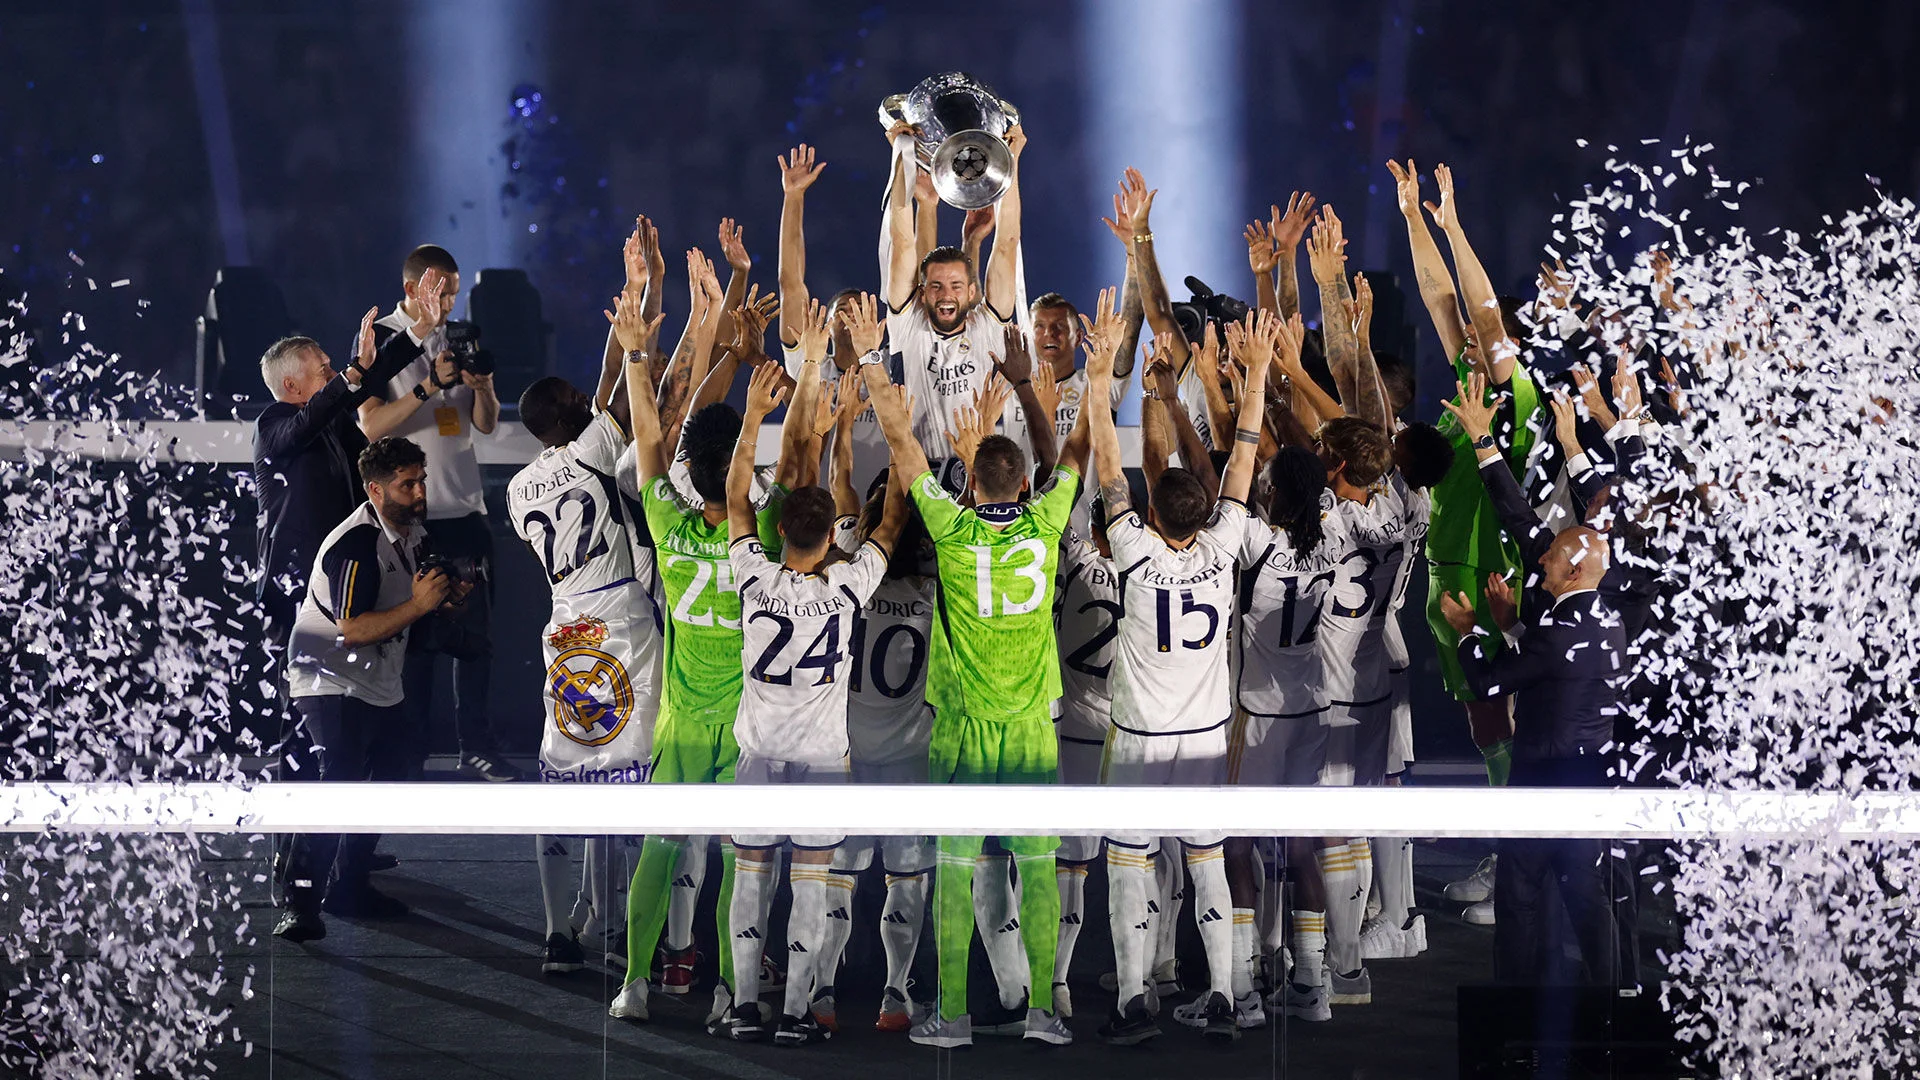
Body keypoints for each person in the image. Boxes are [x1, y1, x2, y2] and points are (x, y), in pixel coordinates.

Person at [854, 289, 1091, 1050]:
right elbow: (1077, 460)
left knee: (955, 872)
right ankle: (1045, 1013)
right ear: (1022, 485)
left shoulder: (950, 529)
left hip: (960, 731)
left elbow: (902, 446)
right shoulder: (1048, 520)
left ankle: (952, 1015)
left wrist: (869, 358)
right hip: (1031, 729)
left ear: (973, 480)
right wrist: (1102, 361)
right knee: (1037, 867)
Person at [1090, 308, 1288, 1045]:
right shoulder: (1228, 540)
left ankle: (1135, 997)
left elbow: (1108, 464)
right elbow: (1239, 459)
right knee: (1206, 865)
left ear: (1150, 511)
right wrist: (1258, 370)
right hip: (1206, 736)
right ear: (1206, 515)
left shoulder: (1135, 550)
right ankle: (1226, 996)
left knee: (1129, 865)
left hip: (1141, 735)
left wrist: (1104, 373)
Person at [610, 280, 789, 1030]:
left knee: (660, 853)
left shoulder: (666, 523)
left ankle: (632, 985)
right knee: (738, 865)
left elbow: (649, 438)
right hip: (746, 725)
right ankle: (728, 990)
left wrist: (636, 354)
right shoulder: (768, 530)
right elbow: (797, 450)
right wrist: (762, 400)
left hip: (681, 722)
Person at [716, 357, 905, 1047]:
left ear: (784, 534)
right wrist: (883, 423)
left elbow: (738, 497)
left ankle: (743, 1005)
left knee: (749, 879)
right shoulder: (847, 588)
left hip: (759, 754)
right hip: (823, 760)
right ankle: (797, 1012)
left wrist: (754, 416)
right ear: (830, 538)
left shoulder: (751, 577)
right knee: (809, 887)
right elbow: (888, 523)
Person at [1386, 160, 1546, 924]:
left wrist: (1455, 226)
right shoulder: (1468, 385)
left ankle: (1520, 861)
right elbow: (1442, 301)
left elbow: (1476, 309)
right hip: (1449, 575)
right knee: (1486, 723)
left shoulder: (1514, 399)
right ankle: (1513, 850)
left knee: (1503, 716)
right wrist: (1415, 216)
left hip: (1494, 582)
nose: (1477, 346)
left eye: (1493, 343)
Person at [252, 299, 435, 896]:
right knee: (308, 734)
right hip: (296, 604)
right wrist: (352, 376)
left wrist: (416, 334)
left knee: (365, 735)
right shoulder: (276, 424)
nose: (334, 373)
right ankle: (294, 864)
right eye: (323, 368)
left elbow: (365, 382)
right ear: (291, 383)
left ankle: (344, 856)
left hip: (343, 593)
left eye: (333, 366)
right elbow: (333, 401)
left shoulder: (328, 419)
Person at [508, 280, 665, 976]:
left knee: (563, 772)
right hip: (620, 617)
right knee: (630, 772)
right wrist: (637, 298)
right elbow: (614, 384)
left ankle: (556, 929)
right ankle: (627, 926)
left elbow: (593, 390)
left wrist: (636, 289)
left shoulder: (517, 489)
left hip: (563, 622)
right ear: (573, 414)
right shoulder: (595, 449)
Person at [273, 436, 468, 941]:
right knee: (336, 781)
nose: (420, 491)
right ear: (376, 491)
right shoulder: (356, 544)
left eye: (421, 480)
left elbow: (409, 601)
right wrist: (422, 606)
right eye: (408, 484)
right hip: (327, 677)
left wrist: (444, 599)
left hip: (378, 679)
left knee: (390, 779)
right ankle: (299, 903)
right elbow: (352, 628)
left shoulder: (410, 534)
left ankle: (350, 885)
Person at [357, 244, 517, 782]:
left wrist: (483, 385)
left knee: (477, 641)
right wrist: (429, 385)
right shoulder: (380, 340)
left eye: (451, 292)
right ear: (409, 290)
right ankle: (411, 752)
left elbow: (486, 424)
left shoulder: (458, 336)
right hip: (408, 517)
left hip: (465, 506)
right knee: (415, 642)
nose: (446, 302)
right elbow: (371, 426)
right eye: (436, 292)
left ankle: (477, 744)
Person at [880, 120, 1037, 492]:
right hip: (921, 476)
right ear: (923, 292)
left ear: (971, 292)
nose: (945, 294)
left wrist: (1010, 161)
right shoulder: (909, 325)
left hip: (984, 478)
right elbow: (902, 241)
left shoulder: (987, 325)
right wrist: (900, 157)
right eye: (935, 286)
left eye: (954, 285)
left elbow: (1007, 240)